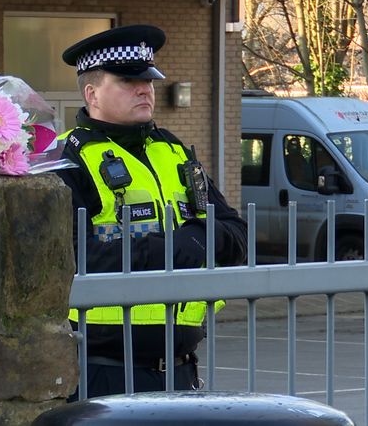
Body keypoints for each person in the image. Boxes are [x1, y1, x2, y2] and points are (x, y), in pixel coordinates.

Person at [55, 24, 248, 399]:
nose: (145, 89)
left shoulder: (173, 152)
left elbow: (236, 234)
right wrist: (178, 248)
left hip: (180, 369)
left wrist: (196, 240)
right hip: (102, 372)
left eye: (148, 80)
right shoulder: (68, 160)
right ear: (91, 94)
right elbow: (72, 257)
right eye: (128, 81)